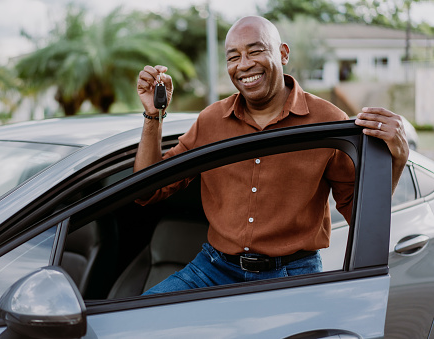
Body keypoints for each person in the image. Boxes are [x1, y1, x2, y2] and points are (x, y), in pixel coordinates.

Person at [134, 16, 409, 295]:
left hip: (293, 275)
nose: (244, 64)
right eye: (233, 57)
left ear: (283, 53)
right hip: (213, 269)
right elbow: (148, 190)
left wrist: (397, 159)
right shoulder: (211, 120)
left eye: (255, 51)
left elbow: (359, 213)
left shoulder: (327, 121)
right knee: (137, 322)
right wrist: (152, 116)